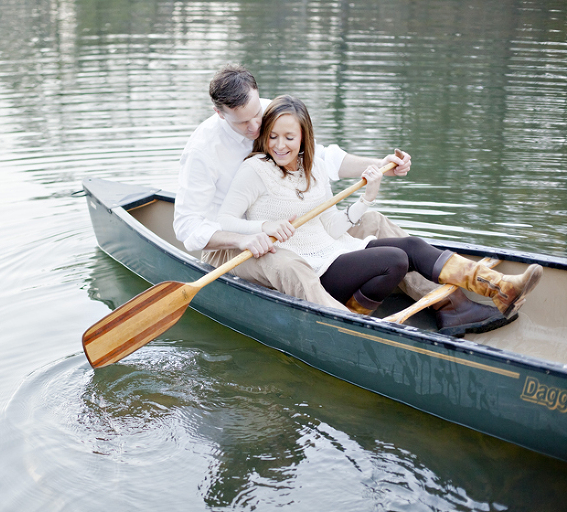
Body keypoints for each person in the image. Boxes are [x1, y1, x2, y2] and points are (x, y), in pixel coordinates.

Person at [173, 64, 515, 336]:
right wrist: (248, 235)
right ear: (220, 114)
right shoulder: (203, 152)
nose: (255, 127)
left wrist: (378, 166)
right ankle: (345, 327)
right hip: (234, 243)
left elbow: (320, 159)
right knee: (288, 264)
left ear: (257, 95)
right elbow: (188, 227)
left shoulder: (269, 113)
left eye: (256, 115)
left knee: (375, 222)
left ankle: (451, 305)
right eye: (242, 122)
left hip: (293, 224)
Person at [216, 95, 542, 321]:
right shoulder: (255, 169)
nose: (279, 145)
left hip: (332, 251)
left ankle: (498, 287)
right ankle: (353, 318)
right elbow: (225, 220)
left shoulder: (313, 168)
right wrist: (262, 228)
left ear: (304, 137)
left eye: (289, 137)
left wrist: (366, 198)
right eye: (272, 136)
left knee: (410, 248)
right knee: (395, 259)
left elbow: (331, 226)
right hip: (310, 269)